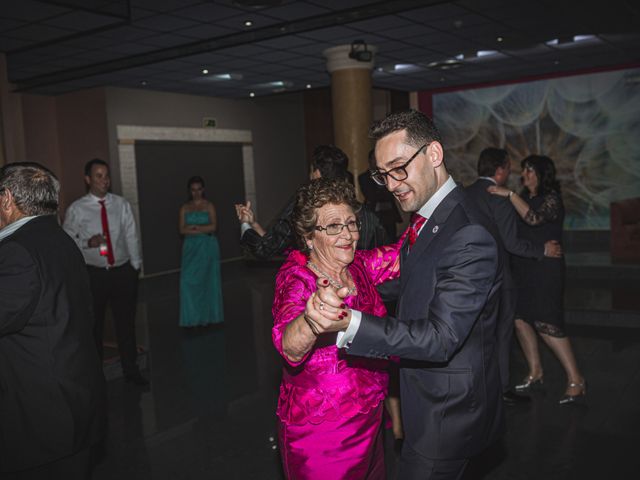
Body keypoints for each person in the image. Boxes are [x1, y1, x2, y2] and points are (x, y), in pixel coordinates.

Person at [307, 110, 505, 480]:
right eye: (383, 174)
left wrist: (351, 322)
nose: (392, 184)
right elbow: (418, 280)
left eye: (399, 168)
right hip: (429, 401)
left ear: (433, 154)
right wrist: (354, 289)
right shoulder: (435, 217)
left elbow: (440, 338)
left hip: (448, 413)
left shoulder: (468, 231)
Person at [273, 177, 403, 479]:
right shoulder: (298, 280)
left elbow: (402, 255)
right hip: (322, 436)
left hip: (369, 419)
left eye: (351, 223)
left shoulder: (357, 266)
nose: (348, 234)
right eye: (333, 226)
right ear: (308, 237)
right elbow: (289, 346)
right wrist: (312, 319)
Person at [0, 162, 106, 479]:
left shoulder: (16, 251)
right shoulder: (59, 240)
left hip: (41, 416)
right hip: (74, 397)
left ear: (6, 198)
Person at [465, 147, 563, 405]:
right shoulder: (500, 198)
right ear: (500, 170)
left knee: (474, 335)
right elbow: (512, 243)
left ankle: (476, 387)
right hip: (500, 275)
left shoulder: (463, 194)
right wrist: (542, 249)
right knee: (502, 334)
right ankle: (502, 389)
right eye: (510, 168)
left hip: (469, 275)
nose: (514, 174)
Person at [488, 154, 586, 404]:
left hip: (546, 269)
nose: (525, 174)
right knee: (520, 319)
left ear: (543, 174)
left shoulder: (551, 198)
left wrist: (509, 194)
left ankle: (576, 379)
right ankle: (535, 372)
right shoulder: (526, 198)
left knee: (547, 323)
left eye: (530, 170)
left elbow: (533, 218)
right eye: (524, 170)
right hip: (523, 268)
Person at [63, 158, 147, 386]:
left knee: (126, 325)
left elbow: (131, 236)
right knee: (94, 327)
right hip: (94, 275)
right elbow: (68, 243)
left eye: (107, 175)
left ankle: (132, 371)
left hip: (122, 272)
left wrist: (135, 267)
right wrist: (87, 244)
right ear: (88, 179)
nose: (105, 180)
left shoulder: (121, 205)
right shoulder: (77, 209)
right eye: (98, 176)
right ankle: (95, 377)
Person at [235, 144, 387, 259]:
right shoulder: (370, 217)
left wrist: (245, 224)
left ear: (317, 173)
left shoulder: (304, 208)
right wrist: (254, 224)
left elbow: (265, 248)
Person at [179, 176, 224, 327]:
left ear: (203, 190)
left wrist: (195, 227)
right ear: (189, 191)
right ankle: (192, 318)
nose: (196, 193)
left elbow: (213, 227)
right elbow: (182, 229)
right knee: (186, 281)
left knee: (209, 281)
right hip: (190, 248)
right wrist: (201, 228)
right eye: (193, 190)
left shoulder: (209, 205)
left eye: (199, 189)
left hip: (207, 246)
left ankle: (210, 317)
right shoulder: (185, 207)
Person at [359, 148, 402, 241]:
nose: (376, 160)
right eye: (374, 158)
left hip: (389, 214)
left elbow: (390, 193)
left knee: (391, 239)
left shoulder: (387, 174)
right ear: (369, 160)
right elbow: (370, 195)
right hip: (374, 213)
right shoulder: (363, 177)